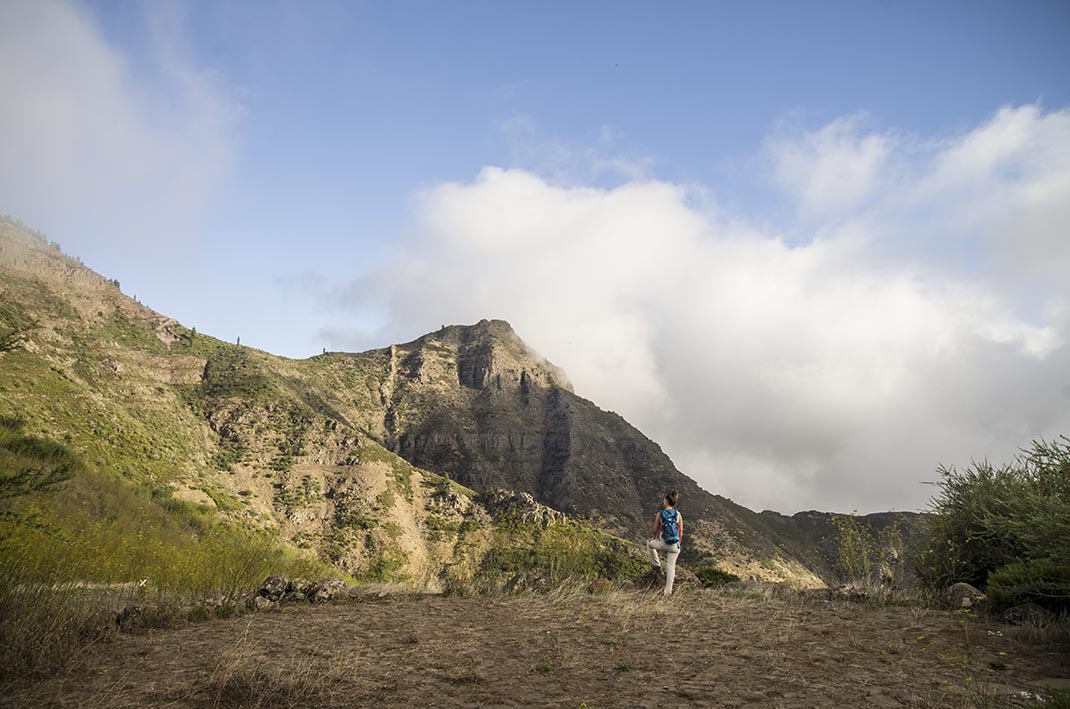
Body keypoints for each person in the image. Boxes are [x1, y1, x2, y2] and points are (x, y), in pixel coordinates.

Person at [647, 489, 683, 595]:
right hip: (674, 545)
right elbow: (680, 531)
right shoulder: (678, 514)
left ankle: (656, 565)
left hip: (663, 543)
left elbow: (654, 529)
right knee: (671, 567)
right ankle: (668, 592)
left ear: (665, 501)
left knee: (649, 544)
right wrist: (678, 543)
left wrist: (654, 538)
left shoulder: (660, 513)